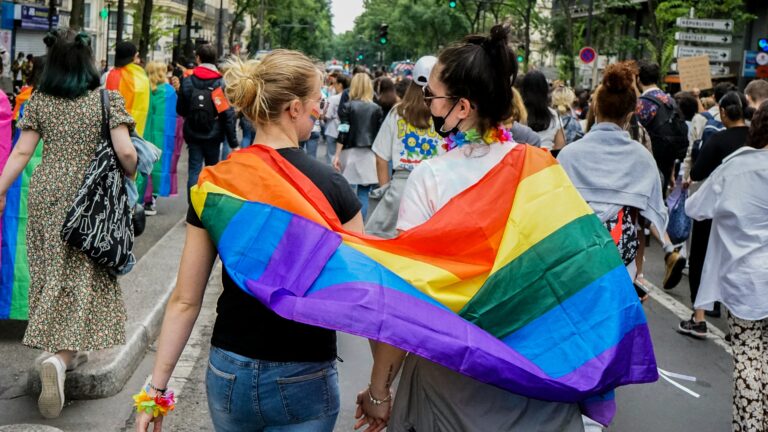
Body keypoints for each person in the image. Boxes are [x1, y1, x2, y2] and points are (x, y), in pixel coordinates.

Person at [357, 25, 584, 432]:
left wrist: (379, 391)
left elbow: (411, 300)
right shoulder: (542, 170)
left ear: (462, 107)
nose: (427, 103)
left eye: (433, 96)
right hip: (533, 377)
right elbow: (570, 273)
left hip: (449, 380)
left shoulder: (431, 179)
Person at [135, 49, 363, 432]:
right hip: (305, 369)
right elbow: (366, 293)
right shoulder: (334, 188)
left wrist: (156, 392)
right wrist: (378, 389)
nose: (319, 111)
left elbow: (186, 300)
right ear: (293, 108)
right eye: (316, 102)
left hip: (230, 371)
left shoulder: (217, 184)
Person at [0, 29, 137, 419]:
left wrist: (1, 188)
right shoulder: (106, 100)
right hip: (90, 200)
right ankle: (60, 359)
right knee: (83, 275)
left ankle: (68, 352)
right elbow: (126, 151)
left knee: (55, 271)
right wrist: (131, 171)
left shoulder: (41, 101)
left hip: (46, 194)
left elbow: (22, 151)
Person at [685, 100, 768, 432]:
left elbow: (696, 207)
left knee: (750, 358)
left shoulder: (735, 167)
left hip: (746, 277)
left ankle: (750, 426)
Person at [558, 62, 667, 302]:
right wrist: (638, 273)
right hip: (620, 261)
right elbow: (647, 220)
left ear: (595, 109)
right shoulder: (642, 159)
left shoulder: (569, 155)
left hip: (575, 259)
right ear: (630, 116)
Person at [678, 91, 749, 338]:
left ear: (723, 113)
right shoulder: (755, 139)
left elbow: (697, 173)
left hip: (715, 208)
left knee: (701, 259)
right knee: (737, 264)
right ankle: (736, 325)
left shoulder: (718, 139)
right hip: (747, 212)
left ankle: (699, 318)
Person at [365, 55, 443, 238]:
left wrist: (386, 189)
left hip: (400, 188)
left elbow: (381, 156)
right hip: (436, 190)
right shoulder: (447, 114)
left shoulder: (398, 112)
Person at [175, 44, 238, 200]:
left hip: (193, 132)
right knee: (211, 170)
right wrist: (233, 142)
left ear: (198, 58)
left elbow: (180, 109)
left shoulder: (188, 81)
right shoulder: (219, 83)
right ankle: (208, 205)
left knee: (194, 170)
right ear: (214, 60)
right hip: (213, 134)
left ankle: (193, 211)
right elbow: (226, 114)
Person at [634, 60, 690, 196]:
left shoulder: (642, 104)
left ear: (638, 78)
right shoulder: (670, 101)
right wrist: (671, 171)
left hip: (643, 166)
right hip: (665, 165)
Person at [333, 73, 383, 218]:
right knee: (364, 193)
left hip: (349, 152)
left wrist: (337, 154)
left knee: (347, 191)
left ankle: (348, 224)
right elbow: (379, 134)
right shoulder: (376, 108)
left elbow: (343, 130)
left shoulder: (347, 107)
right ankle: (359, 225)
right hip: (369, 153)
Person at [143, 61, 179, 213]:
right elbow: (175, 117)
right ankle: (152, 199)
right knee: (159, 165)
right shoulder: (169, 92)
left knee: (143, 163)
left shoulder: (144, 89)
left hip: (145, 133)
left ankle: (143, 197)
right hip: (163, 136)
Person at [518, 70, 565, 150]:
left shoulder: (517, 113)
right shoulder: (554, 114)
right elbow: (560, 145)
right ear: (545, 90)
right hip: (545, 159)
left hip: (521, 159)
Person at [323, 74, 349, 165]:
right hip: (345, 130)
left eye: (335, 84)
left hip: (333, 129)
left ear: (340, 85)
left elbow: (327, 115)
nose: (334, 86)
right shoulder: (350, 97)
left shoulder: (334, 98)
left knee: (331, 156)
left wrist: (323, 116)